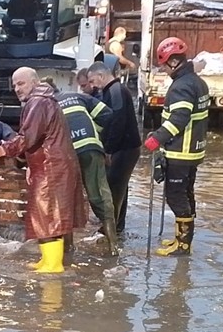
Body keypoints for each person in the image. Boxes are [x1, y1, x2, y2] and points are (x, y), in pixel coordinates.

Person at [0, 67, 84, 272]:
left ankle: (53, 263)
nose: (16, 88)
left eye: (21, 83)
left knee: (47, 214)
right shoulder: (44, 100)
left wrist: (3, 148)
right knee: (47, 213)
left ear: (34, 81)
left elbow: (27, 138)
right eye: (14, 84)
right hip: (51, 165)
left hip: (51, 167)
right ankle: (48, 259)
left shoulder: (38, 102)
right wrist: (31, 163)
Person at [143, 37, 209, 257]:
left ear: (172, 62)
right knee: (186, 194)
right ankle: (183, 242)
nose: (164, 69)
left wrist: (157, 138)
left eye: (164, 64)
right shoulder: (196, 81)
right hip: (192, 151)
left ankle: (182, 245)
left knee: (176, 196)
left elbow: (179, 118)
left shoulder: (182, 86)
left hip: (181, 151)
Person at [55, 88, 118, 255]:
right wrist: (94, 131)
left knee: (66, 199)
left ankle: (68, 248)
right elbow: (107, 114)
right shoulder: (78, 96)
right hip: (91, 148)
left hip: (68, 154)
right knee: (100, 195)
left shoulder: (49, 103)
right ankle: (114, 247)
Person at [86, 62, 141, 235]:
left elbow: (117, 121)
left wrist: (108, 150)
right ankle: (118, 225)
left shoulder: (115, 90)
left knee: (113, 187)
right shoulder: (114, 90)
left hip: (124, 148)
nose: (93, 85)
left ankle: (111, 228)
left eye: (93, 80)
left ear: (101, 76)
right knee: (119, 186)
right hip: (125, 147)